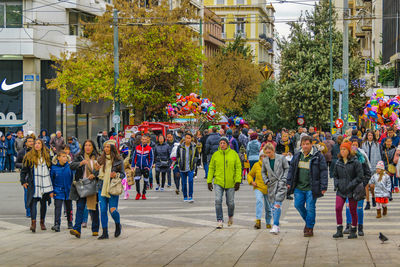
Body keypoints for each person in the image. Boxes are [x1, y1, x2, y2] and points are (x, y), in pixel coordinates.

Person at [287, 135, 328, 237]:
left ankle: (309, 228)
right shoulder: (297, 155)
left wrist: (323, 186)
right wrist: (288, 182)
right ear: (301, 144)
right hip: (299, 187)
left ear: (311, 144)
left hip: (312, 187)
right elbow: (291, 169)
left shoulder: (318, 156)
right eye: (303, 144)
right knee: (298, 205)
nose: (305, 146)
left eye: (307, 144)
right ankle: (309, 221)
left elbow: (323, 171)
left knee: (310, 207)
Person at [207, 136, 242, 229]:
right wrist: (209, 181)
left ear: (227, 144)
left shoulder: (234, 154)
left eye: (224, 143)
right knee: (218, 200)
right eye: (221, 143)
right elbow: (211, 168)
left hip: (231, 182)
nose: (222, 145)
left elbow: (238, 168)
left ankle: (230, 216)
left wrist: (238, 181)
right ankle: (219, 220)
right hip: (218, 181)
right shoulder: (215, 155)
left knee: (230, 203)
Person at [20, 139, 54, 232]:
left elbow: (52, 168)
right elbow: (24, 170)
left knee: (43, 204)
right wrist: (23, 181)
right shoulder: (29, 156)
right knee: (33, 203)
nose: (37, 145)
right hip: (34, 183)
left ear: (42, 145)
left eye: (39, 143)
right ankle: (33, 223)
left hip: (45, 184)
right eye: (35, 143)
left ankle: (42, 222)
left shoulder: (47, 156)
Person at [332, 141, 363, 239]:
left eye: (344, 149)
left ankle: (353, 230)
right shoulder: (338, 162)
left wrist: (351, 184)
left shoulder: (355, 162)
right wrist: (336, 184)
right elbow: (335, 175)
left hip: (352, 190)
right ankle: (339, 229)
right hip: (341, 190)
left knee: (353, 210)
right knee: (338, 208)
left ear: (349, 151)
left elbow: (360, 176)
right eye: (341, 149)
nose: (342, 151)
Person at [69, 140, 100, 238]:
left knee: (93, 208)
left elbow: (101, 170)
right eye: (86, 145)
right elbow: (71, 165)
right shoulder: (79, 157)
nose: (87, 147)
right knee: (80, 207)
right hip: (82, 185)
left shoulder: (98, 158)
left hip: (92, 185)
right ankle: (77, 229)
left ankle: (95, 229)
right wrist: (80, 163)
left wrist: (94, 175)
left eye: (89, 145)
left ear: (93, 147)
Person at [342, 138, 371, 237]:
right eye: (352, 145)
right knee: (348, 207)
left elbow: (368, 173)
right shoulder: (346, 158)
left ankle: (360, 227)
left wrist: (363, 183)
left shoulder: (362, 157)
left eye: (356, 145)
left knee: (359, 208)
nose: (354, 146)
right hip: (348, 187)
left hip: (359, 187)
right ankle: (348, 225)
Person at [97, 140, 125, 239]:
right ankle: (105, 233)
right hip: (101, 187)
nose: (106, 149)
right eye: (105, 147)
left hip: (112, 187)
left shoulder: (118, 160)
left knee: (112, 210)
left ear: (112, 148)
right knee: (103, 210)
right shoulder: (100, 159)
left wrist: (116, 174)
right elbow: (96, 173)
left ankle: (118, 224)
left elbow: (123, 174)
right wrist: (95, 170)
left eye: (108, 147)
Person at [262, 143, 289, 234]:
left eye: (269, 152)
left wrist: (284, 179)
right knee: (273, 206)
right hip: (271, 185)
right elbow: (263, 172)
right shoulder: (265, 160)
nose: (268, 154)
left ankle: (275, 225)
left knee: (277, 204)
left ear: (273, 150)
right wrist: (266, 181)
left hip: (281, 184)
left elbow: (287, 168)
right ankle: (276, 225)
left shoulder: (281, 158)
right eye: (266, 153)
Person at [50, 151, 73, 232]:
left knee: (69, 207)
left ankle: (70, 222)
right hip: (58, 190)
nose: (65, 158)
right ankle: (57, 224)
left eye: (66, 156)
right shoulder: (54, 168)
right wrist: (51, 191)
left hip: (68, 190)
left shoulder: (69, 167)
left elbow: (72, 178)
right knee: (58, 208)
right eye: (63, 156)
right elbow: (51, 180)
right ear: (58, 158)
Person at [248, 150, 271, 230]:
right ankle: (258, 221)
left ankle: (268, 223)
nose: (263, 158)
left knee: (268, 207)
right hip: (258, 187)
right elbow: (250, 174)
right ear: (260, 157)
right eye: (262, 156)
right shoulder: (256, 165)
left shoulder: (271, 165)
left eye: (265, 156)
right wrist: (251, 181)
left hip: (268, 188)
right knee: (259, 201)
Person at [361, 131, 381, 209]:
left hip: (374, 167)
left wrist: (378, 167)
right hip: (366, 167)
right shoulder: (363, 144)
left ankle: (373, 197)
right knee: (366, 185)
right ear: (367, 136)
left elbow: (378, 155)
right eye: (369, 135)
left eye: (371, 135)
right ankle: (368, 202)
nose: (370, 137)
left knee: (372, 186)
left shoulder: (377, 144)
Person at [176, 132, 198, 202]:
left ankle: (190, 196)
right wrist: (179, 162)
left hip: (191, 167)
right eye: (186, 138)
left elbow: (197, 155)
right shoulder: (180, 147)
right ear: (184, 138)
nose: (188, 139)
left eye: (189, 138)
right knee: (184, 182)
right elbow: (177, 156)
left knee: (190, 181)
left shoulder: (194, 146)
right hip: (182, 167)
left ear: (191, 139)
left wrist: (195, 161)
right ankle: (185, 196)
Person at [131, 134, 153, 200]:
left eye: (145, 139)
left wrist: (149, 167)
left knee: (146, 181)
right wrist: (133, 165)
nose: (144, 141)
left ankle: (144, 193)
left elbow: (151, 158)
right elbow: (134, 157)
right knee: (137, 180)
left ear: (147, 140)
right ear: (141, 140)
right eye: (143, 139)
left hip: (145, 167)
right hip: (138, 167)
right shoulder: (137, 147)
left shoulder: (149, 148)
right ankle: (138, 193)